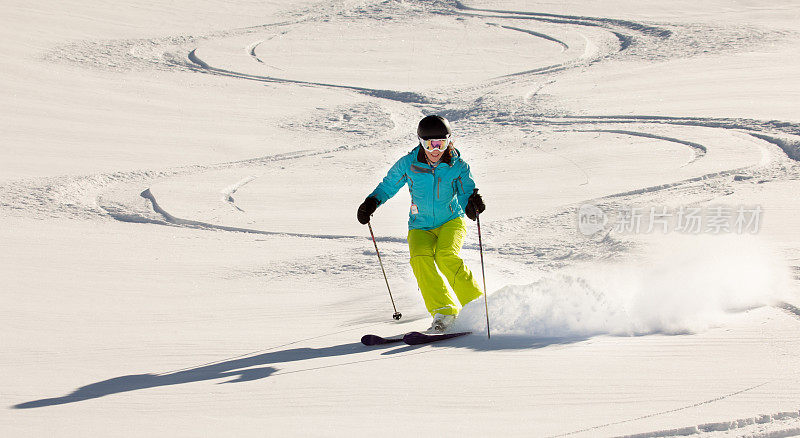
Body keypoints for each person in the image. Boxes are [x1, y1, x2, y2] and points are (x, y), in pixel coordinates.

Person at [357, 115, 486, 332]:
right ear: (420, 142)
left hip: (451, 221)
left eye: (441, 144)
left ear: (448, 141)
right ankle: (444, 311)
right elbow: (388, 185)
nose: (435, 149)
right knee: (420, 259)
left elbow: (466, 192)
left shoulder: (458, 166)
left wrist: (471, 205)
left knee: (446, 256)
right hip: (420, 226)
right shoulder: (409, 164)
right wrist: (372, 202)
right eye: (429, 144)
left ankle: (476, 305)